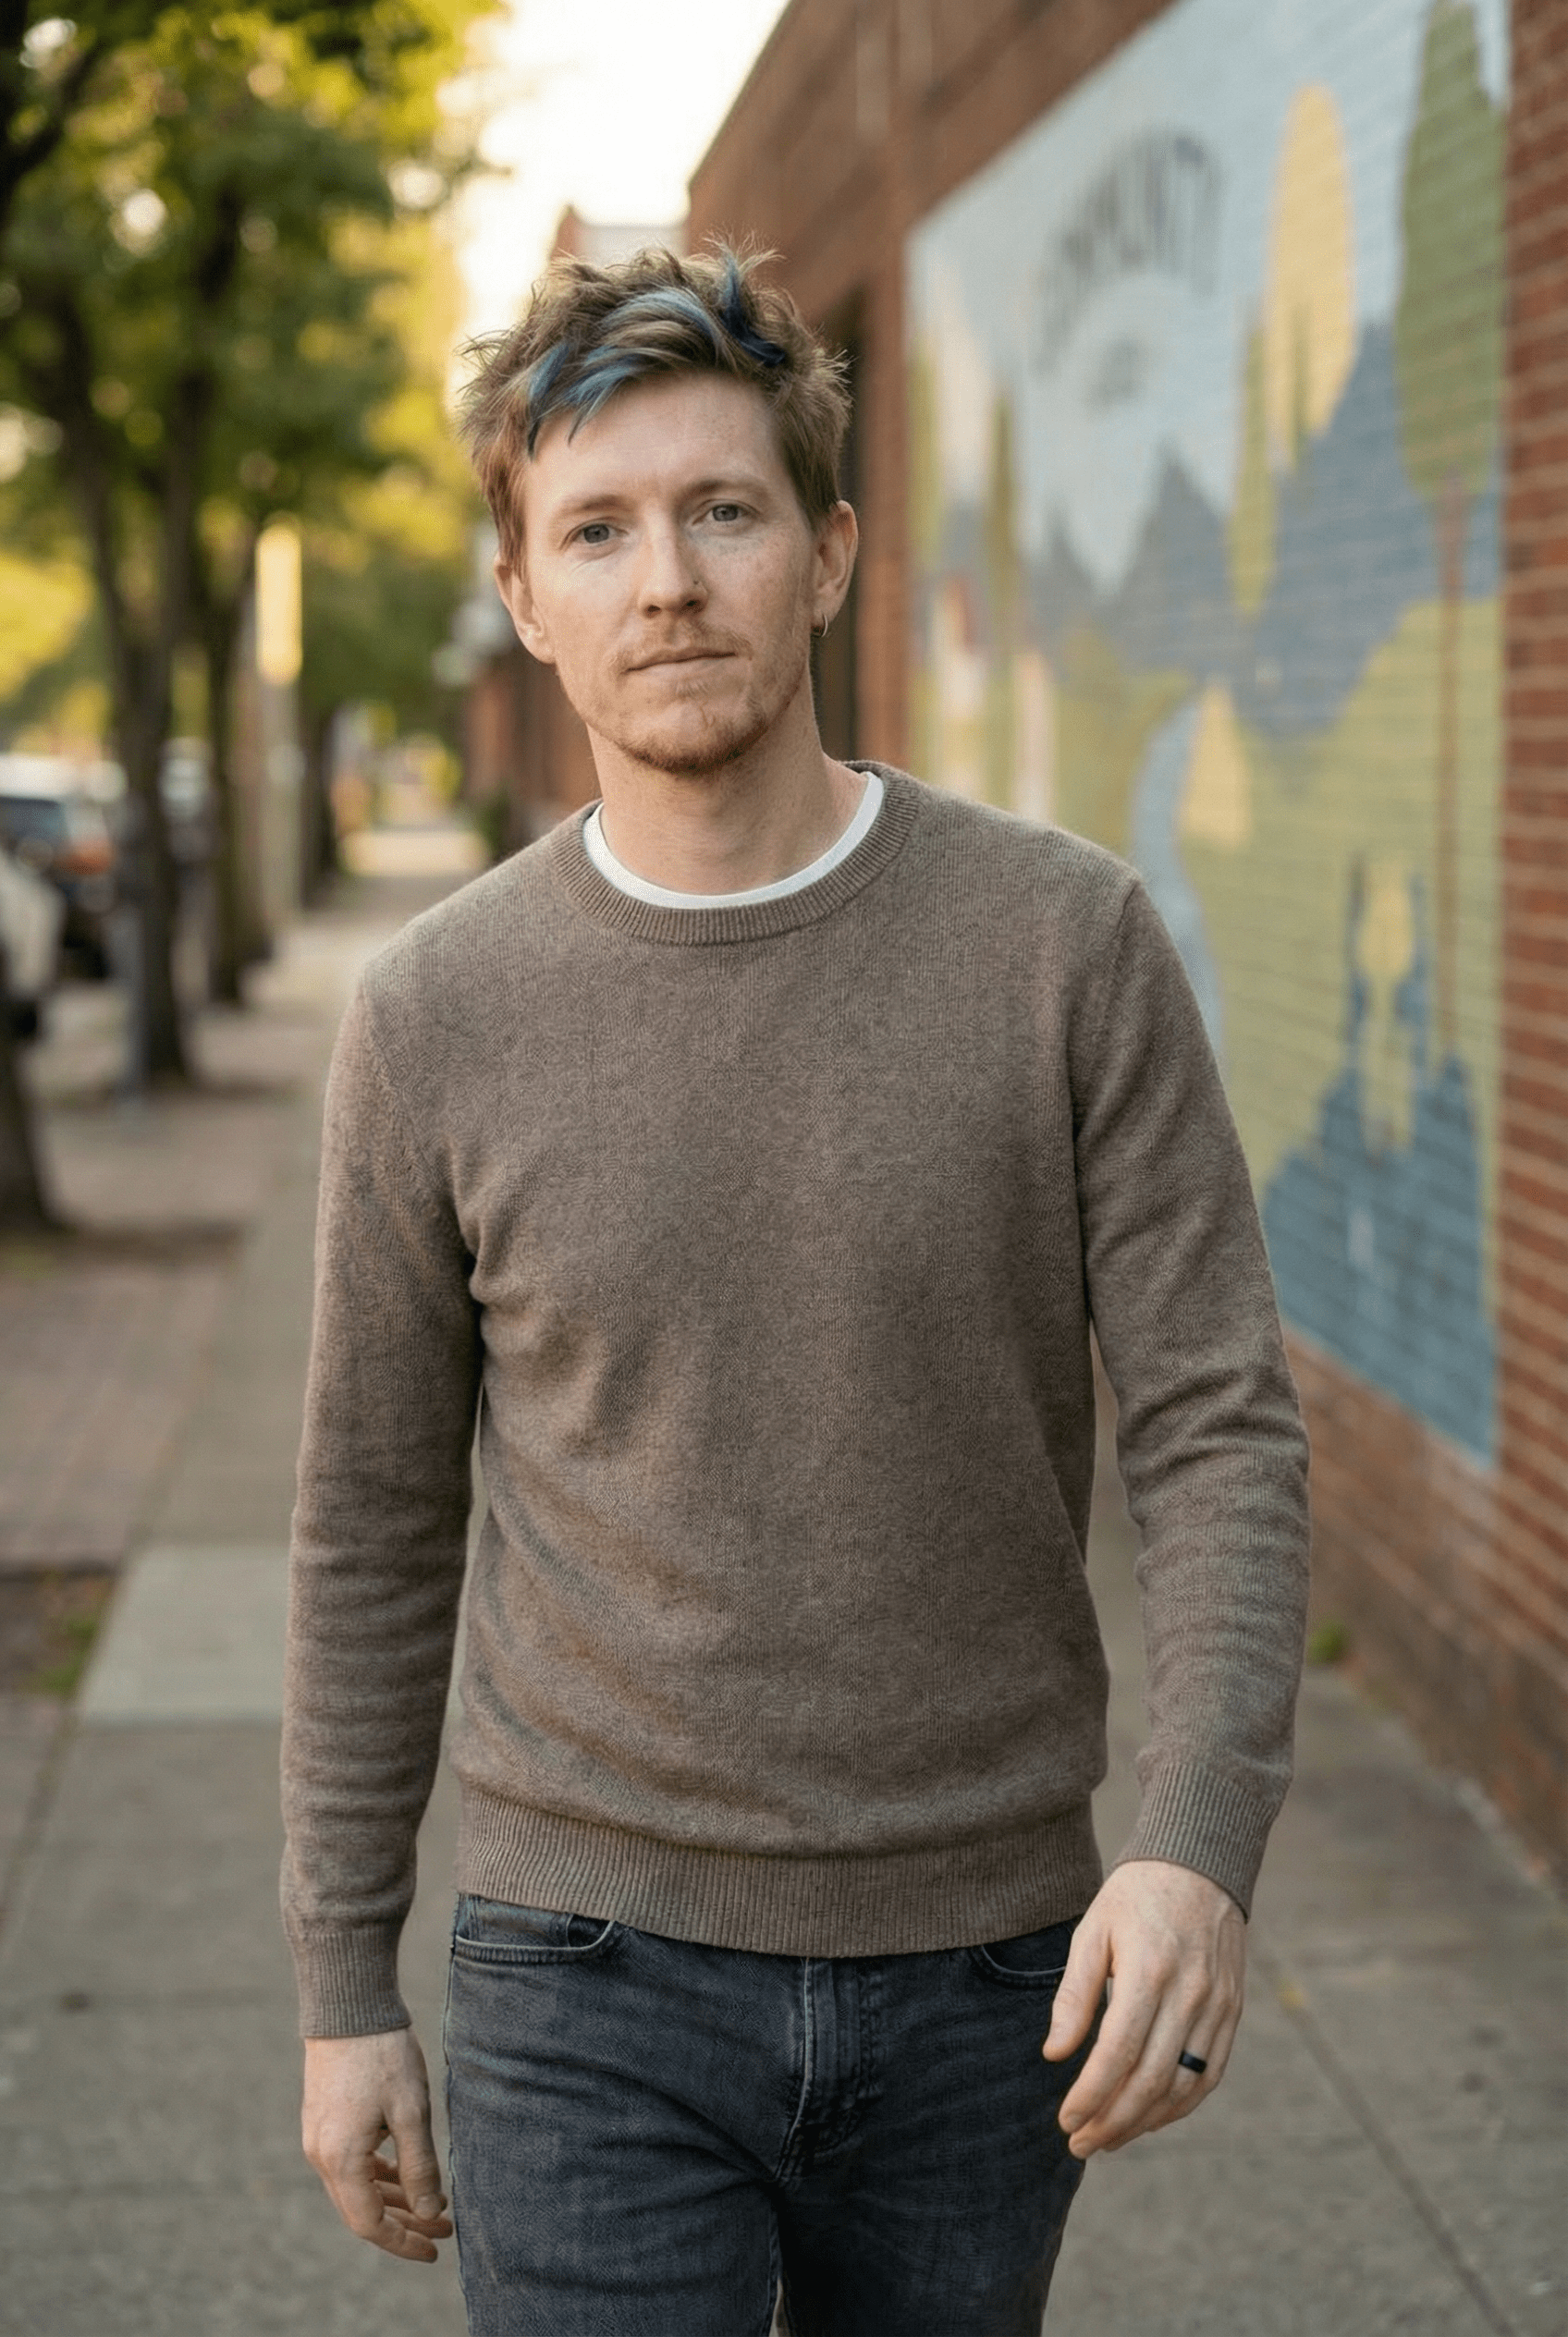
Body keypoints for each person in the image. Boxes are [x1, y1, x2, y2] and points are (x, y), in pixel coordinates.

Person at [282, 243, 1311, 2336]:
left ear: (828, 553)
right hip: (581, 1972)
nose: (665, 582)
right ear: (524, 595)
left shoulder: (1065, 947)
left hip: (990, 1976)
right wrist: (340, 1984)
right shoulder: (435, 1014)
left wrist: (1197, 1841)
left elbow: (1218, 1422)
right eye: (596, 530)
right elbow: (370, 1523)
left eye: (721, 510)